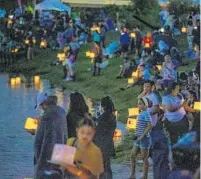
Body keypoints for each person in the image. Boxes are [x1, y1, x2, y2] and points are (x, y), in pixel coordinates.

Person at [34, 95, 67, 179]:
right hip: (61, 153)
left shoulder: (44, 118)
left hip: (47, 158)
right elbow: (65, 135)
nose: (41, 109)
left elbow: (38, 142)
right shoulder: (62, 113)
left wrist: (38, 160)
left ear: (44, 104)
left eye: (40, 106)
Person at [94, 96, 117, 179]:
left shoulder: (104, 116)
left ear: (104, 106)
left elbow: (98, 130)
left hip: (102, 144)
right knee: (107, 166)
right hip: (109, 143)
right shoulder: (112, 116)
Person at [130, 97, 152, 179]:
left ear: (145, 105)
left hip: (144, 138)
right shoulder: (141, 113)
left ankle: (145, 176)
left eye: (140, 104)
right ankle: (132, 175)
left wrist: (143, 135)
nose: (138, 105)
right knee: (132, 155)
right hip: (138, 138)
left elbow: (150, 126)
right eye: (138, 103)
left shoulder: (146, 113)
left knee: (144, 158)